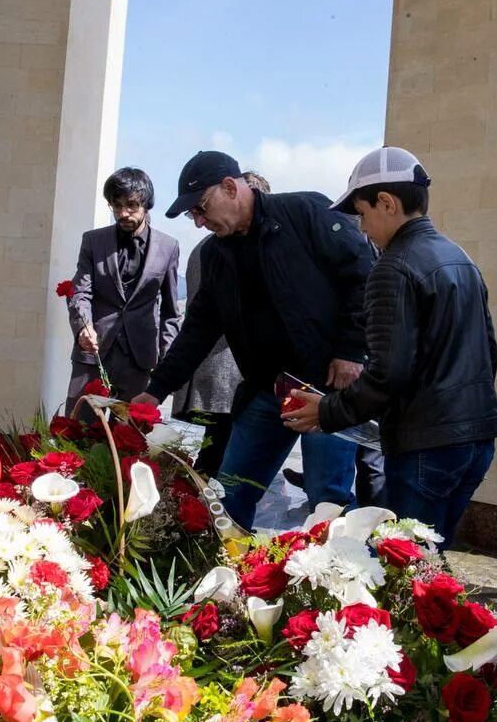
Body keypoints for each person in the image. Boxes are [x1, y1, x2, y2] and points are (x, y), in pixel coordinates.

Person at [130, 150, 373, 530]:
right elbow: (198, 329)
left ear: (231, 187)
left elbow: (362, 277)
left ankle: (342, 582)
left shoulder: (305, 212)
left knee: (329, 498)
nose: (199, 222)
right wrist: (156, 389)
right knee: (229, 493)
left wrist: (350, 350)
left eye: (201, 208)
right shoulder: (215, 255)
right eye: (192, 215)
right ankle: (223, 582)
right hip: (267, 391)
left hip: (327, 389)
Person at [280, 147, 497, 546]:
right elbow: (490, 352)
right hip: (476, 440)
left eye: (362, 214)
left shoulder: (393, 266)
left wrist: (327, 410)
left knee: (407, 570)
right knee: (432, 563)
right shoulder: (460, 258)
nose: (362, 228)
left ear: (387, 203)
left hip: (426, 447)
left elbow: (390, 372)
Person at [169, 171, 270, 478]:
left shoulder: (207, 247)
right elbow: (211, 320)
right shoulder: (216, 249)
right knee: (209, 476)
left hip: (201, 381)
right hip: (220, 382)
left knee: (192, 472)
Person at [66, 168, 181, 410]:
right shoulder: (92, 241)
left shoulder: (169, 247)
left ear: (146, 204)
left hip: (140, 361)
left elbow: (171, 313)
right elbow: (81, 292)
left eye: (131, 205)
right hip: (92, 356)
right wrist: (83, 328)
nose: (123, 213)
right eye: (116, 205)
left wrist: (166, 363)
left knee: (128, 439)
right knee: (77, 435)